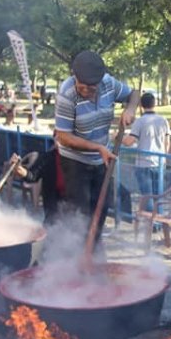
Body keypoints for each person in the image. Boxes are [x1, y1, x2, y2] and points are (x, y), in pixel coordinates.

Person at [53, 50, 139, 240]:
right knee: (80, 214)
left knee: (100, 210)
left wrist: (130, 109)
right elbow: (63, 136)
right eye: (82, 87)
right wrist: (98, 148)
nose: (86, 92)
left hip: (102, 160)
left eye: (91, 89)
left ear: (100, 81)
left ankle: (94, 251)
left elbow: (134, 94)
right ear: (74, 76)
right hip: (75, 162)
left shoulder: (109, 83)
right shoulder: (66, 95)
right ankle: (76, 257)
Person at [122, 93, 169, 212]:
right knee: (158, 195)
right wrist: (164, 158)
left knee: (147, 196)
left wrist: (118, 138)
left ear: (141, 105)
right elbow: (167, 142)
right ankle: (158, 221)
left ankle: (149, 222)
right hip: (159, 162)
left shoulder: (140, 121)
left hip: (144, 163)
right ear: (155, 104)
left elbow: (129, 141)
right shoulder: (163, 120)